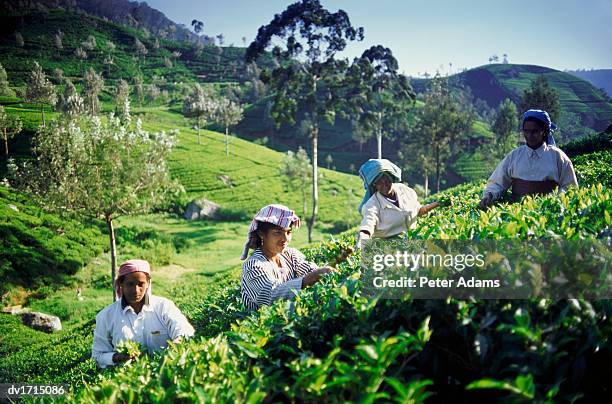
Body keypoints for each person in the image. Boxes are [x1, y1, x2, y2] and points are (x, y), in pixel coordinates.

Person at [92, 259, 195, 368]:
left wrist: (174, 347)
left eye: (141, 284)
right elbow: (98, 356)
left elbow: (185, 332)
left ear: (148, 283)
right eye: (130, 284)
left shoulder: (164, 306)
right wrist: (117, 357)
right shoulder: (106, 316)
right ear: (121, 284)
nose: (136, 290)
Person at [479, 109, 578, 209]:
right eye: (526, 131)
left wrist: (556, 203)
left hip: (547, 211)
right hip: (517, 211)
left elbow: (569, 187)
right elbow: (498, 182)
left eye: (534, 131)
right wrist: (489, 196)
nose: (530, 136)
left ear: (544, 132)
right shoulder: (515, 156)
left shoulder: (558, 157)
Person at [240, 204, 332, 310]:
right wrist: (306, 280)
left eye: (288, 232)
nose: (285, 238)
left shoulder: (291, 255)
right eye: (277, 233)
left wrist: (330, 267)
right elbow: (271, 295)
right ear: (261, 234)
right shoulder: (253, 266)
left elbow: (311, 270)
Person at [357, 159, 438, 248]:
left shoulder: (405, 191)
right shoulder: (372, 205)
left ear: (392, 178)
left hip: (414, 241)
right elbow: (367, 226)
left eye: (387, 180)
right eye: (379, 182)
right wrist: (361, 240)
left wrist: (439, 203)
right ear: (374, 185)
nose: (385, 185)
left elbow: (419, 210)